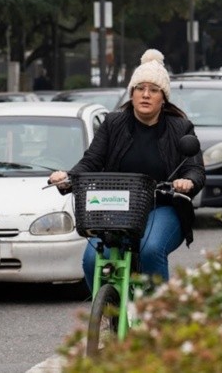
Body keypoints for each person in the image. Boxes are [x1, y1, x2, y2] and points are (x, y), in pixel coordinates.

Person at [48, 49, 205, 291]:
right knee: (92, 260)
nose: (145, 95)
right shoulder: (113, 123)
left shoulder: (181, 127)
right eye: (139, 88)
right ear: (131, 93)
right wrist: (68, 177)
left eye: (153, 90)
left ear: (163, 97)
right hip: (116, 208)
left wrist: (187, 182)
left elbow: (195, 169)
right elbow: (91, 162)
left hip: (162, 207)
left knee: (150, 249)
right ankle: (107, 311)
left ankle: (155, 319)